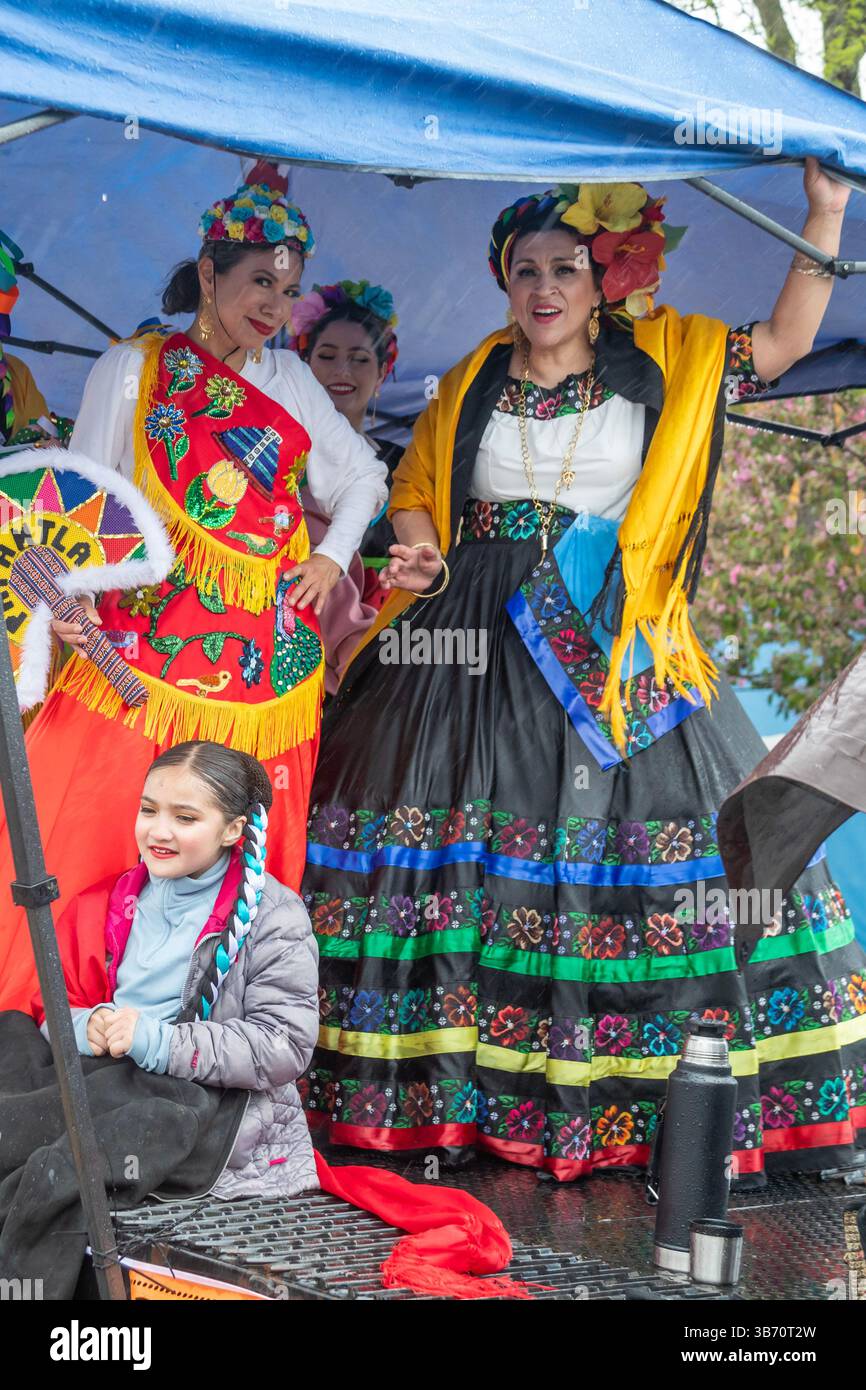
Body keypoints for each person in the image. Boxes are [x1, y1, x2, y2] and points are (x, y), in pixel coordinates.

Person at [302, 161, 866, 1181]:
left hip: (609, 639)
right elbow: (420, 487)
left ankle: (650, 1114)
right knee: (445, 859)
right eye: (525, 270)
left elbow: (781, 345)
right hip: (461, 654)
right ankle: (434, 1111)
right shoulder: (470, 375)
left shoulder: (670, 355)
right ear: (503, 283)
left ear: (602, 278)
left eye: (565, 267)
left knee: (667, 853)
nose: (545, 288)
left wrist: (823, 211)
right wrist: (419, 546)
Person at [0, 161, 386, 1015]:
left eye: (286, 292)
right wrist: (66, 603)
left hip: (260, 664)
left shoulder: (288, 380)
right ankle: (48, 1028)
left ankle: (208, 1045)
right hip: (134, 647)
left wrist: (334, 557)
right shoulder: (133, 370)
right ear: (209, 273)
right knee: (91, 829)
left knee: (234, 851)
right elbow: (87, 496)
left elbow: (364, 475)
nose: (273, 308)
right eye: (257, 282)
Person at [39, 740, 320, 1198]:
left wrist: (161, 1042)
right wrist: (81, 1026)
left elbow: (282, 1046)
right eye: (149, 811)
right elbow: (55, 1004)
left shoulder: (274, 916)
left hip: (202, 1106)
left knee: (57, 1158)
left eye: (185, 818)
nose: (158, 831)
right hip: (112, 1080)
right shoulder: (107, 903)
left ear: (233, 829)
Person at [290, 280, 402, 690]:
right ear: (302, 364)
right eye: (327, 356)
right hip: (289, 631)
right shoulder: (278, 453)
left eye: (359, 360)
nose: (342, 371)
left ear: (382, 372)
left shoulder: (401, 466)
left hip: (379, 638)